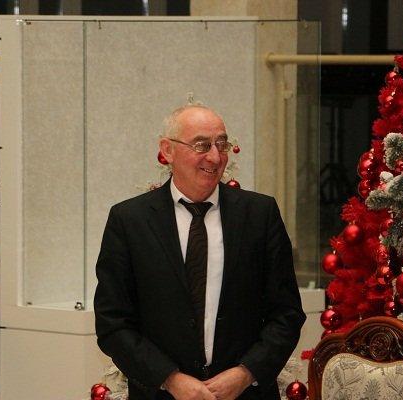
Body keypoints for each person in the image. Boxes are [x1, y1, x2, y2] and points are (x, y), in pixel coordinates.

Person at [94, 104, 306, 400]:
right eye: (201, 145)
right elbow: (113, 322)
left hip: (245, 394)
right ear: (167, 150)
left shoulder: (260, 214)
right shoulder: (129, 220)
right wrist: (170, 379)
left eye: (222, 144)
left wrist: (245, 374)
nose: (215, 157)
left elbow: (287, 313)